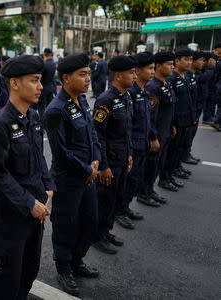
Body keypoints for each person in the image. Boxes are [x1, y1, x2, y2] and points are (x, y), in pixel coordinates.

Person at [0, 55, 55, 300]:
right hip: (11, 219)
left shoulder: (33, 117)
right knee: (9, 279)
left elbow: (39, 156)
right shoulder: (0, 124)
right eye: (34, 80)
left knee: (29, 273)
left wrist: (48, 187)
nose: (41, 86)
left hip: (35, 215)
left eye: (40, 80)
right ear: (14, 83)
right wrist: (29, 203)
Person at [43, 53, 100, 296]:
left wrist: (96, 159)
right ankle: (64, 268)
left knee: (90, 221)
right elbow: (61, 151)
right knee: (66, 224)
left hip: (88, 175)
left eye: (89, 73)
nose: (88, 78)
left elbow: (92, 133)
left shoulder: (83, 101)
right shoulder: (55, 110)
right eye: (82, 74)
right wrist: (87, 169)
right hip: (68, 179)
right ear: (66, 78)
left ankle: (77, 260)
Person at [92, 55, 136, 254]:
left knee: (115, 199)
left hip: (121, 158)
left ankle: (106, 230)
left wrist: (129, 154)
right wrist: (103, 166)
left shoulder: (126, 96)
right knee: (104, 201)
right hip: (109, 162)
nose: (134, 76)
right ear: (118, 76)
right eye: (131, 73)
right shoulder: (105, 100)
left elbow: (126, 130)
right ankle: (97, 235)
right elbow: (99, 136)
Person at [115, 52, 155, 229]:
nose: (153, 72)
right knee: (128, 181)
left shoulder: (144, 91)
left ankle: (125, 207)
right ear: (137, 71)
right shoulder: (130, 93)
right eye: (150, 68)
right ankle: (119, 211)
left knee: (136, 180)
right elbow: (126, 126)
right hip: (132, 145)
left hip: (143, 142)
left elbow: (147, 119)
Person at [138, 52, 176, 205]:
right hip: (157, 134)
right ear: (159, 66)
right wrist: (153, 137)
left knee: (158, 164)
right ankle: (143, 192)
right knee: (151, 165)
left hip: (166, 132)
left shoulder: (166, 84)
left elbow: (169, 109)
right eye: (169, 64)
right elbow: (151, 116)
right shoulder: (153, 87)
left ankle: (150, 189)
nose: (172, 67)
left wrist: (172, 125)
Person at [160, 48, 194, 191]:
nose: (189, 62)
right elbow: (171, 105)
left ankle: (171, 174)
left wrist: (192, 118)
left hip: (186, 121)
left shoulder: (186, 76)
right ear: (177, 61)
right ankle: (164, 178)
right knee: (171, 151)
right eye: (186, 59)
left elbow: (188, 100)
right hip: (176, 122)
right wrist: (173, 124)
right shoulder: (171, 79)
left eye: (190, 59)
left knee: (179, 149)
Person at [182, 51, 206, 165]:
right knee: (183, 139)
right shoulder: (186, 76)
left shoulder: (194, 75)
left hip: (195, 110)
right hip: (187, 113)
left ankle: (186, 154)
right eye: (201, 60)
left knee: (190, 136)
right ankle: (183, 156)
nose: (203, 62)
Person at [37, 48, 57, 117]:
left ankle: (43, 122)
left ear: (44, 54)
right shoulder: (53, 63)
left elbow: (40, 77)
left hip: (43, 87)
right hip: (50, 86)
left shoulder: (44, 64)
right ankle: (49, 121)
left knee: (41, 106)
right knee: (49, 105)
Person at [202, 53, 217, 124]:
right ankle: (206, 118)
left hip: (212, 87)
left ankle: (210, 116)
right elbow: (205, 78)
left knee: (211, 102)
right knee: (207, 103)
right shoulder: (204, 68)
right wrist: (211, 67)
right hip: (207, 87)